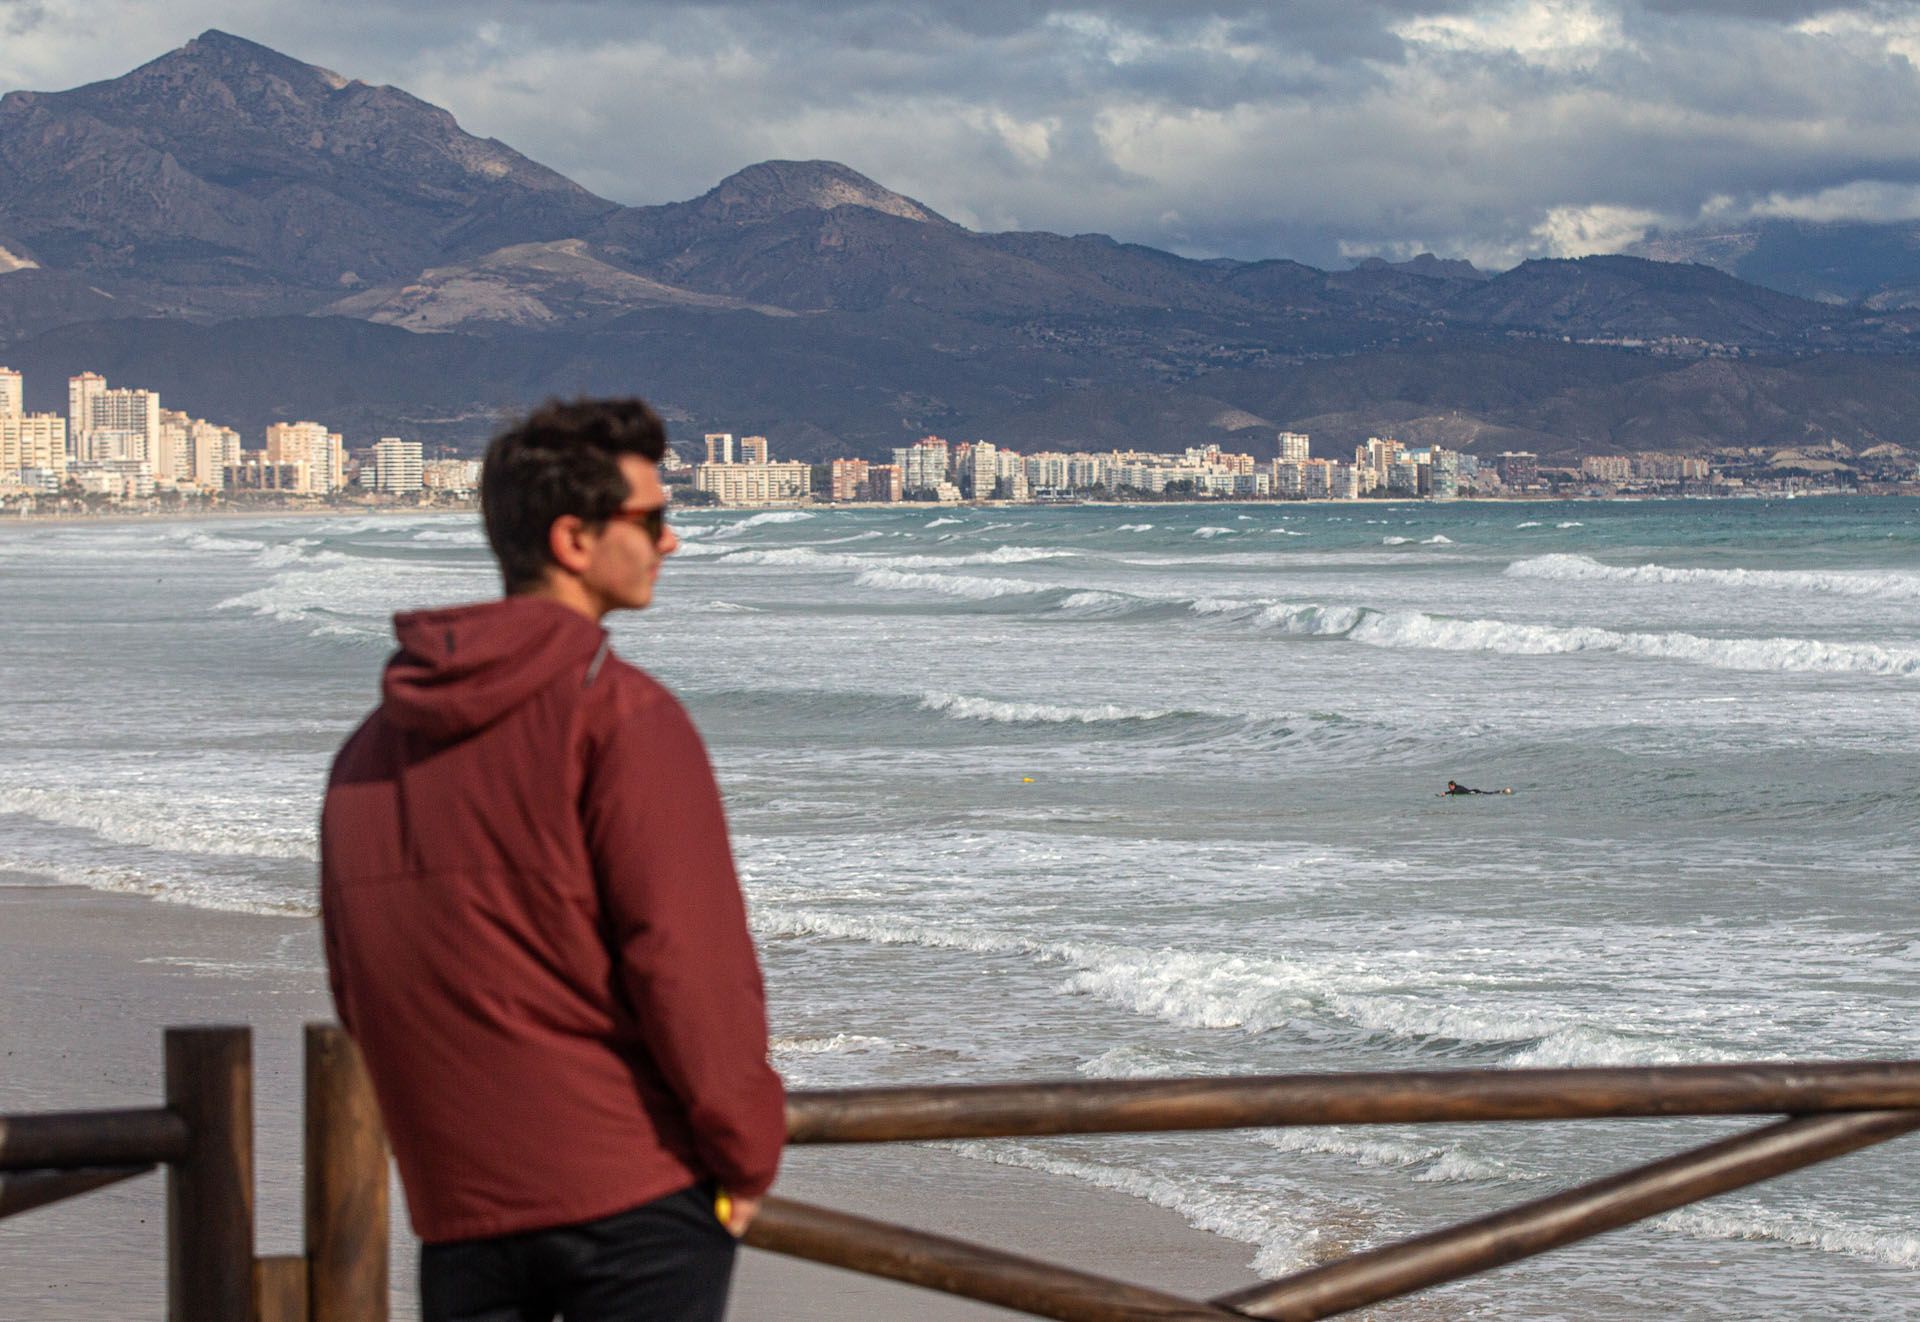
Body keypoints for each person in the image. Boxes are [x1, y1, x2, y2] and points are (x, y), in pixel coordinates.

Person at [320, 398, 784, 1322]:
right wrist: (746, 1155)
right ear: (575, 539)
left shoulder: (371, 750)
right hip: (632, 1203)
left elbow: (362, 980)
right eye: (653, 519)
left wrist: (444, 1173)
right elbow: (691, 968)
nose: (672, 543)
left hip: (461, 1219)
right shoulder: (622, 718)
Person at [1444, 780, 1512, 795]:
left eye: (1449, 786)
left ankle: (1502, 791)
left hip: (1474, 792)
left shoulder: (1457, 788)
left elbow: (1454, 792)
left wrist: (1445, 793)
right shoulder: (1456, 788)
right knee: (1487, 793)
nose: (1449, 788)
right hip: (1473, 792)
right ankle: (1501, 791)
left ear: (1452, 785)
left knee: (1488, 794)